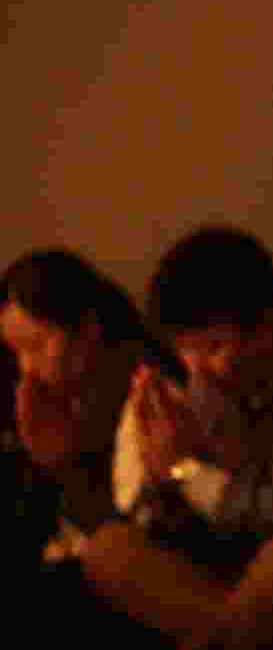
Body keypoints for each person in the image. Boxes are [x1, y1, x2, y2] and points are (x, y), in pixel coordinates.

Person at [82, 226, 273, 649]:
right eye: (186, 351)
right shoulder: (195, 382)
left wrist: (189, 472)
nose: (198, 369)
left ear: (270, 325)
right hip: (229, 581)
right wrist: (161, 480)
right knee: (110, 548)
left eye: (215, 347)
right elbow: (153, 521)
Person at [1, 249, 169, 645]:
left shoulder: (147, 393)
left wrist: (63, 466)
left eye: (37, 345)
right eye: (15, 352)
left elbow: (136, 539)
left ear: (89, 329)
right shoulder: (54, 397)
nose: (25, 367)